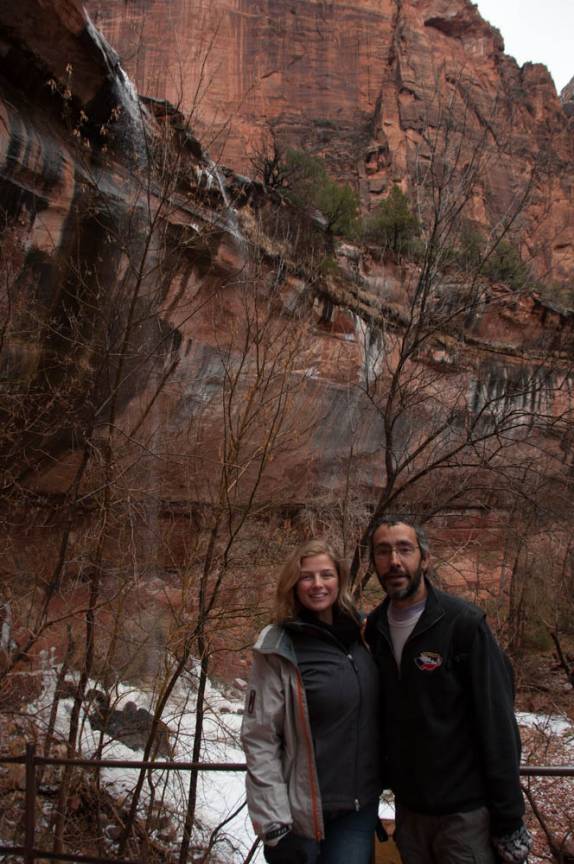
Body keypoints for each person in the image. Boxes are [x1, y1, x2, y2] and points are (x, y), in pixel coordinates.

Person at [365, 514, 532, 864]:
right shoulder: (374, 630)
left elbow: (498, 724)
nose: (394, 561)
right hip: (410, 814)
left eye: (404, 549)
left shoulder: (463, 624)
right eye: (383, 551)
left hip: (465, 817)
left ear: (425, 558)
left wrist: (509, 817)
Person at [241, 539, 382, 864]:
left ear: (340, 580)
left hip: (357, 809)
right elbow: (259, 737)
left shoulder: (361, 635)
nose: (318, 584)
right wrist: (274, 825)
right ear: (293, 584)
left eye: (326, 575)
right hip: (300, 815)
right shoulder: (279, 646)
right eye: (307, 577)